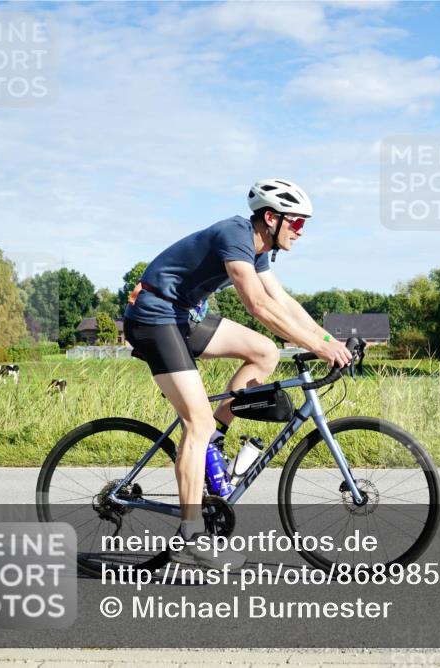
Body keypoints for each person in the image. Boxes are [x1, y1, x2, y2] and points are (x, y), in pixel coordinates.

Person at [122, 178, 353, 569]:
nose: (300, 233)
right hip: (154, 318)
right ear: (270, 218)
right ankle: (189, 535)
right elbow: (258, 305)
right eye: (296, 223)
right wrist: (316, 347)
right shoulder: (235, 234)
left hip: (183, 317)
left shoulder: (258, 247)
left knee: (265, 352)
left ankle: (213, 439)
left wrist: (329, 339)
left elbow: (282, 300)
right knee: (194, 423)